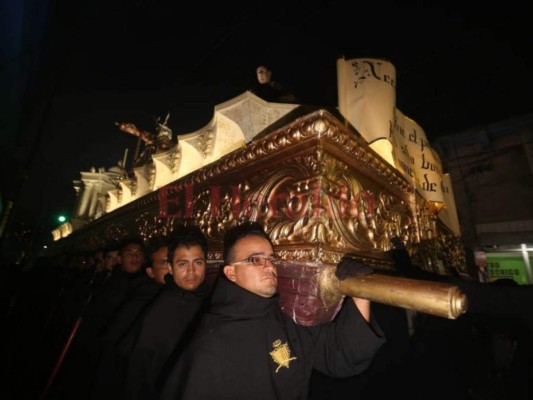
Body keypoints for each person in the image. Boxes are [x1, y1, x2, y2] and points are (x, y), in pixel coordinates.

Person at [159, 221, 385, 399]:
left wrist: (359, 290)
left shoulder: (283, 317)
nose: (268, 265)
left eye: (270, 258)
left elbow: (338, 353)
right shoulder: (211, 344)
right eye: (254, 260)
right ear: (230, 273)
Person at [120, 226, 211, 400]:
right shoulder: (161, 310)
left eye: (198, 262)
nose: (191, 272)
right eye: (182, 264)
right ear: (170, 267)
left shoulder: (211, 300)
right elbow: (140, 376)